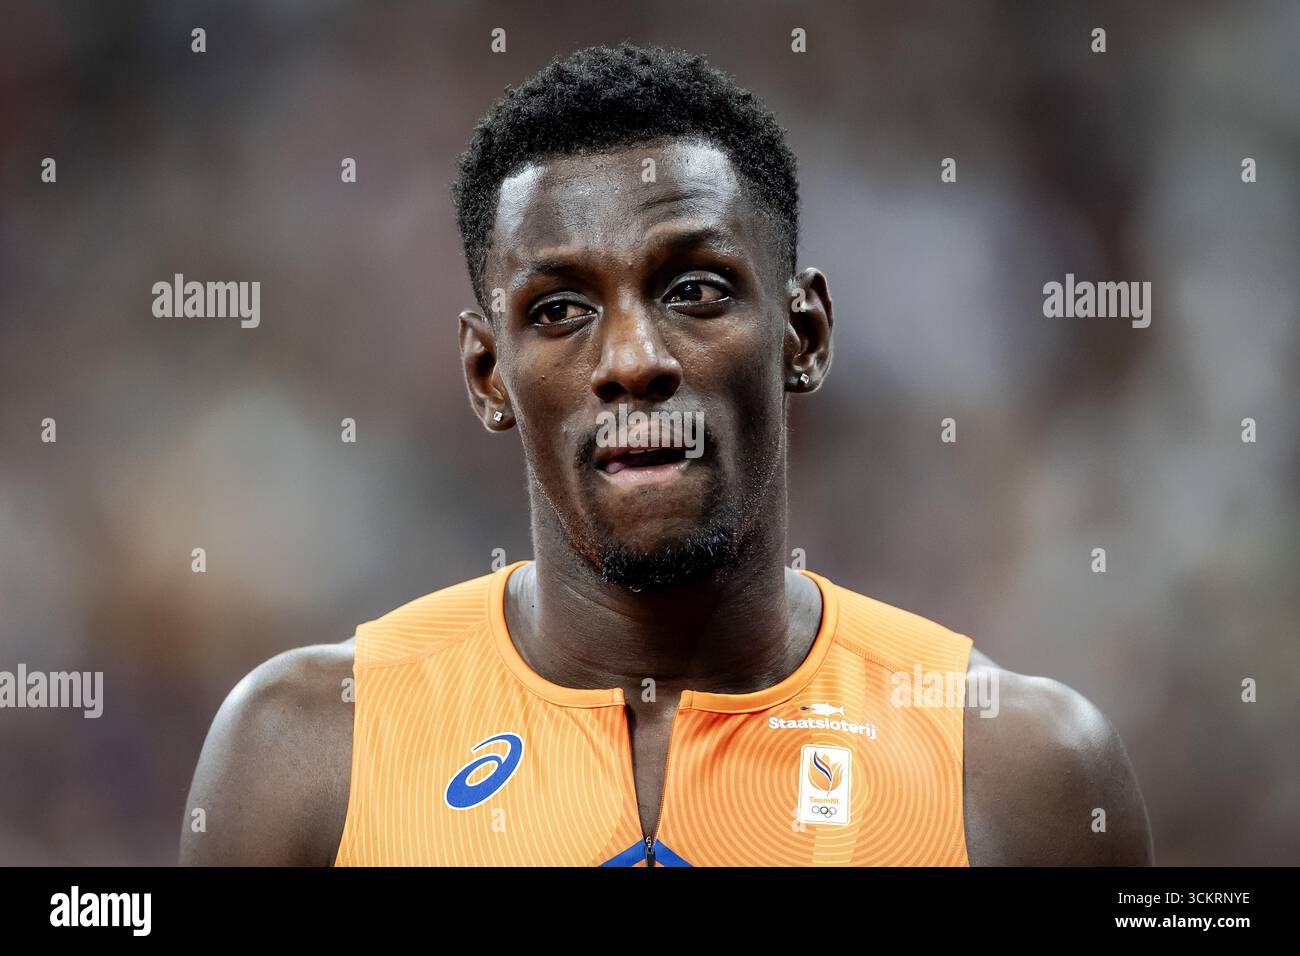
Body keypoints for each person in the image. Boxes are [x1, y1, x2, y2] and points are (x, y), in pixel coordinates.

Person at [181, 43, 1152, 867]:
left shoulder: (1019, 771)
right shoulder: (305, 755)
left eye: (693, 289)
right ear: (487, 373)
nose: (633, 361)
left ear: (803, 332)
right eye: (559, 310)